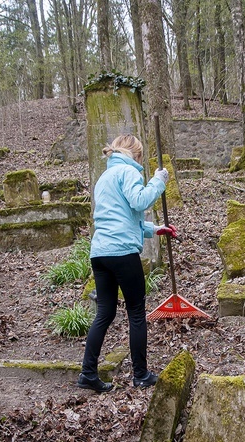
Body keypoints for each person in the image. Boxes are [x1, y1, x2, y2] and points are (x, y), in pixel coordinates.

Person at [78, 134, 176, 393]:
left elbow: (122, 218)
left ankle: (88, 373)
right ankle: (141, 374)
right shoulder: (129, 172)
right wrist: (159, 181)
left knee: (105, 312)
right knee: (136, 313)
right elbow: (140, 201)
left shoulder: (104, 178)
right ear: (136, 154)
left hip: (100, 253)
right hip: (122, 253)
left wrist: (156, 229)